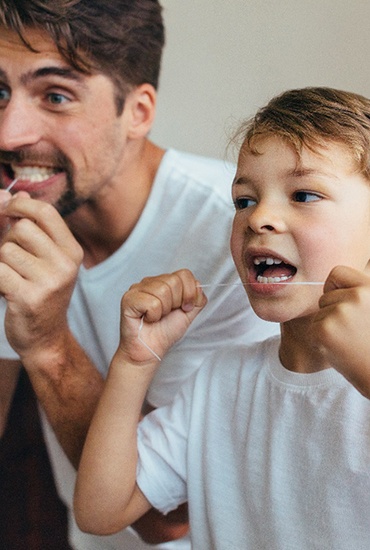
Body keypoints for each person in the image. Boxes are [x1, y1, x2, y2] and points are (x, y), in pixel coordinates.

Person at [0, 1, 279, 549]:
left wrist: (49, 343)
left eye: (56, 95)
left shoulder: (246, 239)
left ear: (139, 111)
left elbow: (169, 516)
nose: (9, 134)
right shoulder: (17, 219)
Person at [74, 87, 370, 549]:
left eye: (304, 194)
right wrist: (134, 363)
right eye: (244, 201)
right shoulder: (219, 379)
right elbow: (100, 511)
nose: (260, 218)